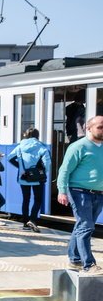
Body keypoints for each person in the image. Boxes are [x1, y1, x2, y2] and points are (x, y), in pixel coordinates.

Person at [57, 116, 103, 273]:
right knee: (86, 226)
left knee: (82, 227)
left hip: (99, 193)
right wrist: (62, 190)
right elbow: (64, 170)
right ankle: (89, 265)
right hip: (79, 191)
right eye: (100, 127)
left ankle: (75, 260)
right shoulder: (79, 146)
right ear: (89, 128)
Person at [8, 128, 52, 232]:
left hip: (23, 176)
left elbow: (10, 158)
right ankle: (32, 220)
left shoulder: (19, 147)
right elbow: (47, 164)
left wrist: (21, 168)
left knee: (26, 199)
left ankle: (25, 224)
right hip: (37, 178)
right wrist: (41, 172)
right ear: (37, 136)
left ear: (26, 136)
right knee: (38, 199)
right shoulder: (42, 147)